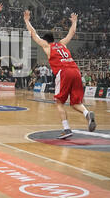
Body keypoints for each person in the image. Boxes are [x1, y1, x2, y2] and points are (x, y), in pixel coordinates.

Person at [24, 10, 96, 139]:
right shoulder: (62, 43)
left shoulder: (47, 47)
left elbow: (33, 34)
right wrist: (74, 21)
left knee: (59, 102)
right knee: (75, 103)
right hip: (75, 70)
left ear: (46, 41)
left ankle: (66, 129)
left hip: (64, 72)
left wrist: (27, 21)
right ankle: (87, 114)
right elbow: (72, 33)